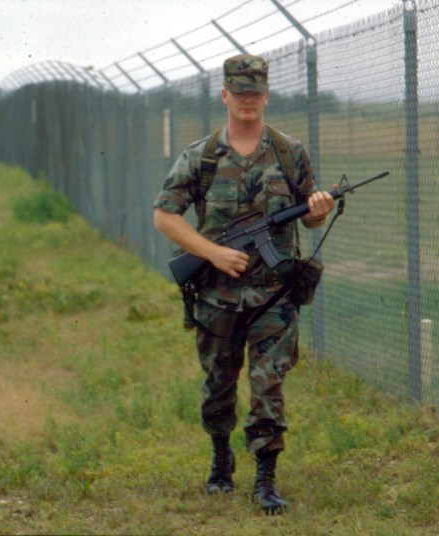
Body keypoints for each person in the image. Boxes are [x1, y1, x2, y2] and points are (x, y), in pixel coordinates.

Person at [152, 53, 335, 514]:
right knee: (218, 383)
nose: (248, 100)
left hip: (275, 294)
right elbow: (164, 216)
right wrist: (211, 252)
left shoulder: (290, 152)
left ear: (266, 96)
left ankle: (266, 480)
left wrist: (317, 212)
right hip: (216, 293)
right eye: (240, 92)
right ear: (226, 95)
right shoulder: (202, 156)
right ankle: (220, 458)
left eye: (256, 92)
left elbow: (309, 221)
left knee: (268, 383)